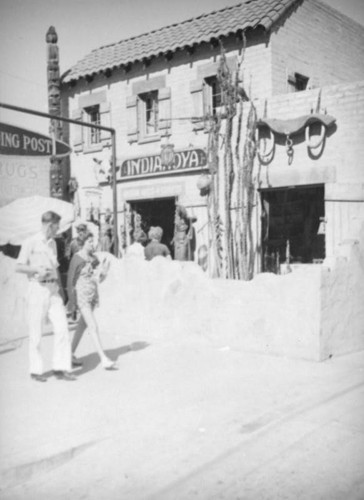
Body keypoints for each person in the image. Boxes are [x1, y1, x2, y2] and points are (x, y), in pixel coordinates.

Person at [16, 211, 76, 382]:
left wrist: (63, 292)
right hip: (37, 289)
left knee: (62, 327)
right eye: (57, 227)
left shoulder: (53, 244)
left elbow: (55, 266)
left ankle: (60, 368)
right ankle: (35, 371)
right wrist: (36, 270)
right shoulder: (30, 242)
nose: (58, 230)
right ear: (50, 226)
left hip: (53, 289)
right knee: (36, 331)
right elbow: (18, 266)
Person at [67, 231, 116, 370]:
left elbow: (97, 279)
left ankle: (68, 354)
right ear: (82, 243)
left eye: (92, 241)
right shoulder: (76, 258)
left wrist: (104, 272)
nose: (92, 244)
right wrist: (72, 302)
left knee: (82, 327)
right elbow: (70, 281)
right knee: (93, 326)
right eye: (89, 241)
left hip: (92, 296)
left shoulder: (94, 259)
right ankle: (103, 358)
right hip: (82, 297)